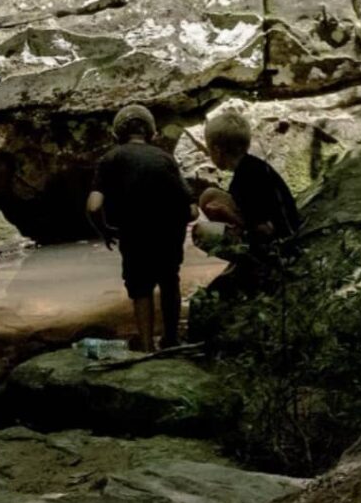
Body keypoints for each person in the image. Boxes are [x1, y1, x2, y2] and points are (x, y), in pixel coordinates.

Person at [86, 104, 196, 352]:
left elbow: (93, 206)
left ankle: (147, 346)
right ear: (152, 134)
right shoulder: (165, 158)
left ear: (117, 136)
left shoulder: (110, 159)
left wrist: (104, 230)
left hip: (134, 234)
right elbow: (191, 209)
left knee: (140, 286)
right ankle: (171, 340)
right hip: (168, 232)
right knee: (170, 282)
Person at [194, 105, 301, 254]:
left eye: (209, 150)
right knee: (210, 195)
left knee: (201, 233)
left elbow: (265, 229)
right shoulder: (251, 166)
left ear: (217, 151)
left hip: (279, 242)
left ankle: (255, 263)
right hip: (280, 227)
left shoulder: (245, 180)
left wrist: (228, 214)